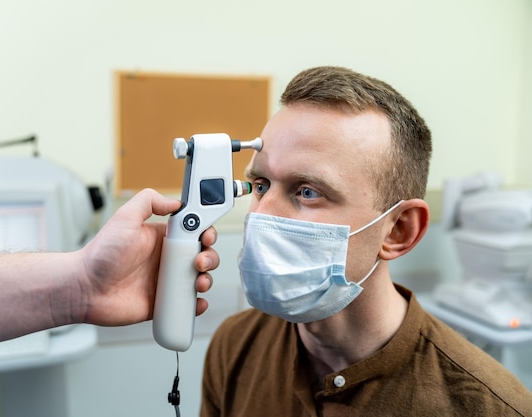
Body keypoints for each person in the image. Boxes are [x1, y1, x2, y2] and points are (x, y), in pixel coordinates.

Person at [201, 66, 532, 416]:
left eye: (308, 191)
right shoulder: (236, 342)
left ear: (398, 230)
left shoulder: (489, 407)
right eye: (261, 185)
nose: (263, 215)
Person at [0, 188, 219, 361]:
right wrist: (84, 285)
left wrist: (85, 287)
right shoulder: (231, 351)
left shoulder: (229, 344)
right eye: (258, 186)